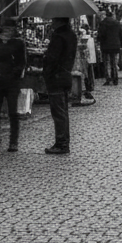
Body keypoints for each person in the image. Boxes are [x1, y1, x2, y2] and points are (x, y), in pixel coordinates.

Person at [0, 21, 26, 152]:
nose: (7, 33)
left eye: (9, 31)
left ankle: (13, 142)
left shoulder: (19, 44)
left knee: (13, 113)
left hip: (12, 82)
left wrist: (12, 74)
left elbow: (22, 63)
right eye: (4, 31)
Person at [42, 16, 78, 155]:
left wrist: (46, 69)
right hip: (65, 76)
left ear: (59, 21)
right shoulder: (71, 35)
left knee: (58, 112)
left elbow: (52, 58)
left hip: (56, 78)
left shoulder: (58, 36)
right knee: (63, 112)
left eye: (53, 20)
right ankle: (64, 141)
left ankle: (61, 143)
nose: (51, 22)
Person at [97, 10, 122, 85]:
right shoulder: (117, 23)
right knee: (114, 62)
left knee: (106, 63)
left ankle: (108, 78)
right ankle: (115, 78)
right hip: (115, 45)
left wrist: (98, 39)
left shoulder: (102, 23)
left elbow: (100, 35)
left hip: (105, 46)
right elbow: (121, 34)